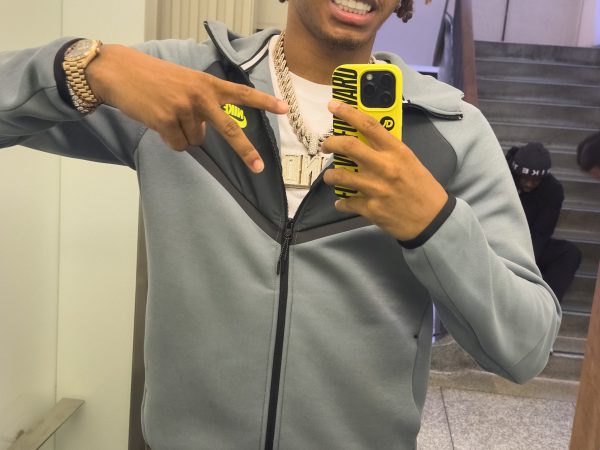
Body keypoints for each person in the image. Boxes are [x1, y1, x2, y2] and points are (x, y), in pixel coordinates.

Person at [0, 1, 561, 449]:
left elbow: (524, 348)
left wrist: (434, 223)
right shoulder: (182, 83)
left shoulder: (454, 132)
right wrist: (87, 66)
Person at [506, 143, 582, 303]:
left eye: (535, 180)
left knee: (570, 253)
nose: (528, 184)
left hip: (527, 245)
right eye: (524, 178)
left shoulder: (552, 190)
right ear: (516, 172)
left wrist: (525, 265)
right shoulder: (501, 175)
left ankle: (544, 305)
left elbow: (541, 233)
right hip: (496, 239)